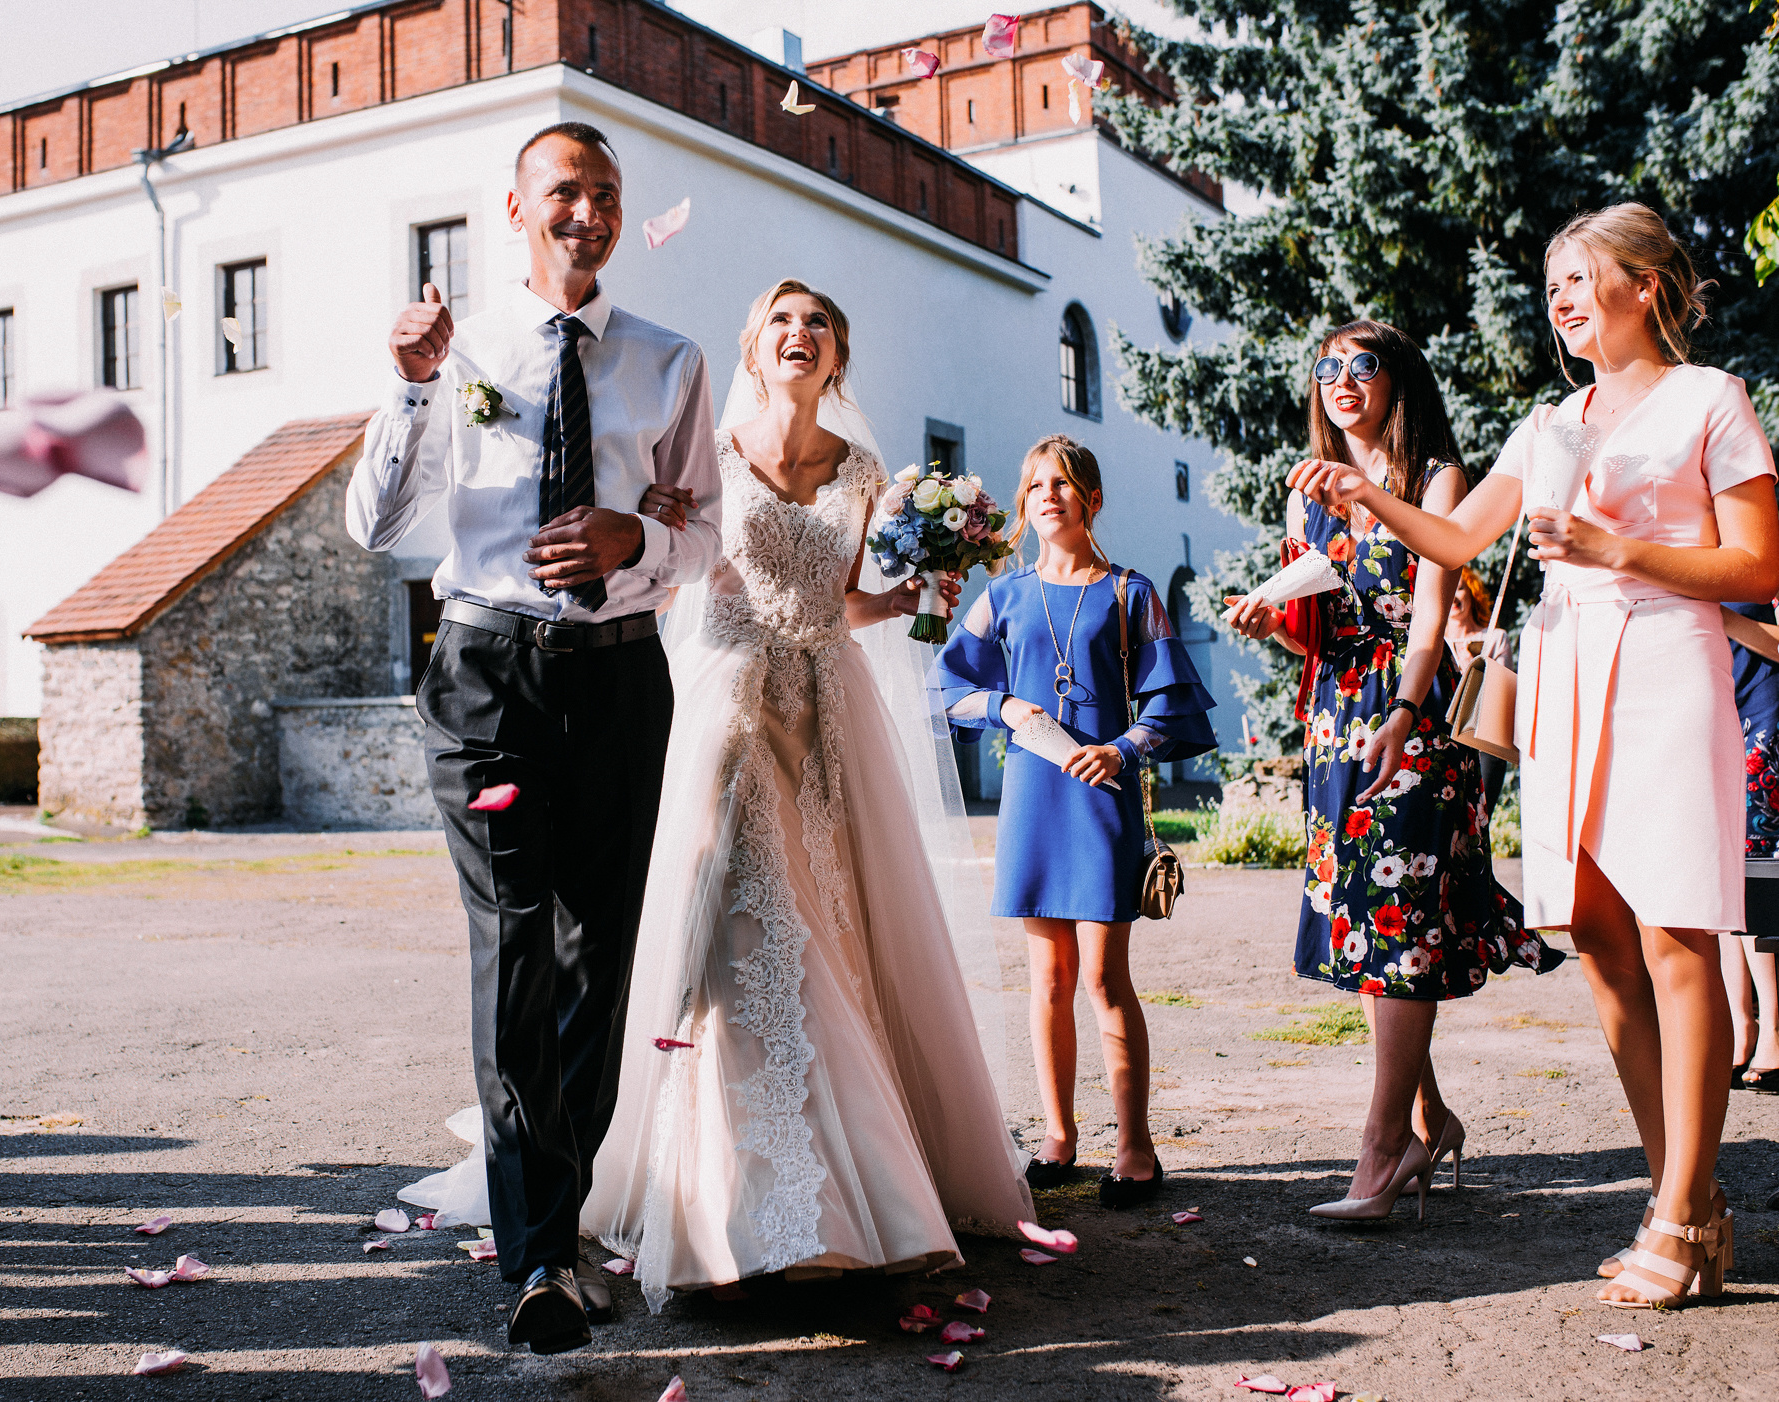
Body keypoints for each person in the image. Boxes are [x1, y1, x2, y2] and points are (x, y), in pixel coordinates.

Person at [1288, 205, 1779, 1307]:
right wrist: (1369, 495)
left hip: (1664, 662)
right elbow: (1461, 540)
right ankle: (1677, 1202)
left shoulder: (1712, 399)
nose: (1557, 298)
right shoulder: (1551, 421)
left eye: (1577, 277)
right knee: (1600, 934)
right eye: (1549, 281)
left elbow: (1759, 559)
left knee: (1676, 936)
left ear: (1645, 285)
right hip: (1564, 668)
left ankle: (1687, 1211)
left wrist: (1618, 549)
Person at [580, 279, 1035, 1312]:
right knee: (743, 936)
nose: (799, 335)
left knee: (835, 931)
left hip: (828, 714)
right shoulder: (708, 454)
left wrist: (916, 594)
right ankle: (732, 1205)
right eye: (781, 322)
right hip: (731, 712)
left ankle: (850, 1196)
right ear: (752, 348)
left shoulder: (865, 470)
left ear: (838, 358)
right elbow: (677, 571)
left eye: (817, 325)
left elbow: (844, 599)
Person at [348, 121, 721, 1354]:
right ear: (514, 211)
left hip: (618, 680)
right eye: (564, 191)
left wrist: (638, 543)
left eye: (606, 193)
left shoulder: (669, 363)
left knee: (594, 958)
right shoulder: (461, 356)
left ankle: (553, 1217)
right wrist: (408, 386)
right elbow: (376, 522)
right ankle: (542, 1258)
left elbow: (706, 533)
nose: (588, 211)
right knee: (516, 951)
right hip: (486, 675)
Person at [1225, 322, 1561, 1225]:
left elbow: (1425, 625)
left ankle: (1383, 1150)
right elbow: (1318, 595)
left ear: (1397, 381)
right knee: (1375, 929)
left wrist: (1404, 719)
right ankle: (1429, 1119)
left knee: (1401, 922)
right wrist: (1273, 613)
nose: (1339, 380)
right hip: (1337, 718)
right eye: (1325, 367)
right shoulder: (1309, 494)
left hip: (1408, 715)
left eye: (1360, 365)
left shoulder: (1436, 478)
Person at [933, 435, 1218, 1204]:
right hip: (1032, 792)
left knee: (1103, 977)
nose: (1049, 494)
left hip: (1102, 798)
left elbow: (1171, 708)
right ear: (1023, 506)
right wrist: (1002, 705)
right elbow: (944, 691)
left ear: (1092, 499)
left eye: (1064, 483)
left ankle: (1136, 1147)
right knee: (1048, 979)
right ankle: (1059, 1138)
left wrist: (1123, 750)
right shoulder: (1003, 595)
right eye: (1036, 486)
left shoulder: (1132, 593)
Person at [1714, 598, 1779, 1093]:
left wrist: (1718, 616)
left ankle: (1772, 1031)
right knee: (1718, 874)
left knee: (1756, 874)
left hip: (1763, 712)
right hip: (1711, 710)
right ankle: (1741, 1026)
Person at [1445, 566, 1511, 819]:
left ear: (1472, 593)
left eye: (1460, 588)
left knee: (1478, 818)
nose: (1454, 596)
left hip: (1485, 740)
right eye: (1450, 589)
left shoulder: (1494, 639)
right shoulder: (1435, 645)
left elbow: (1501, 696)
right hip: (1444, 739)